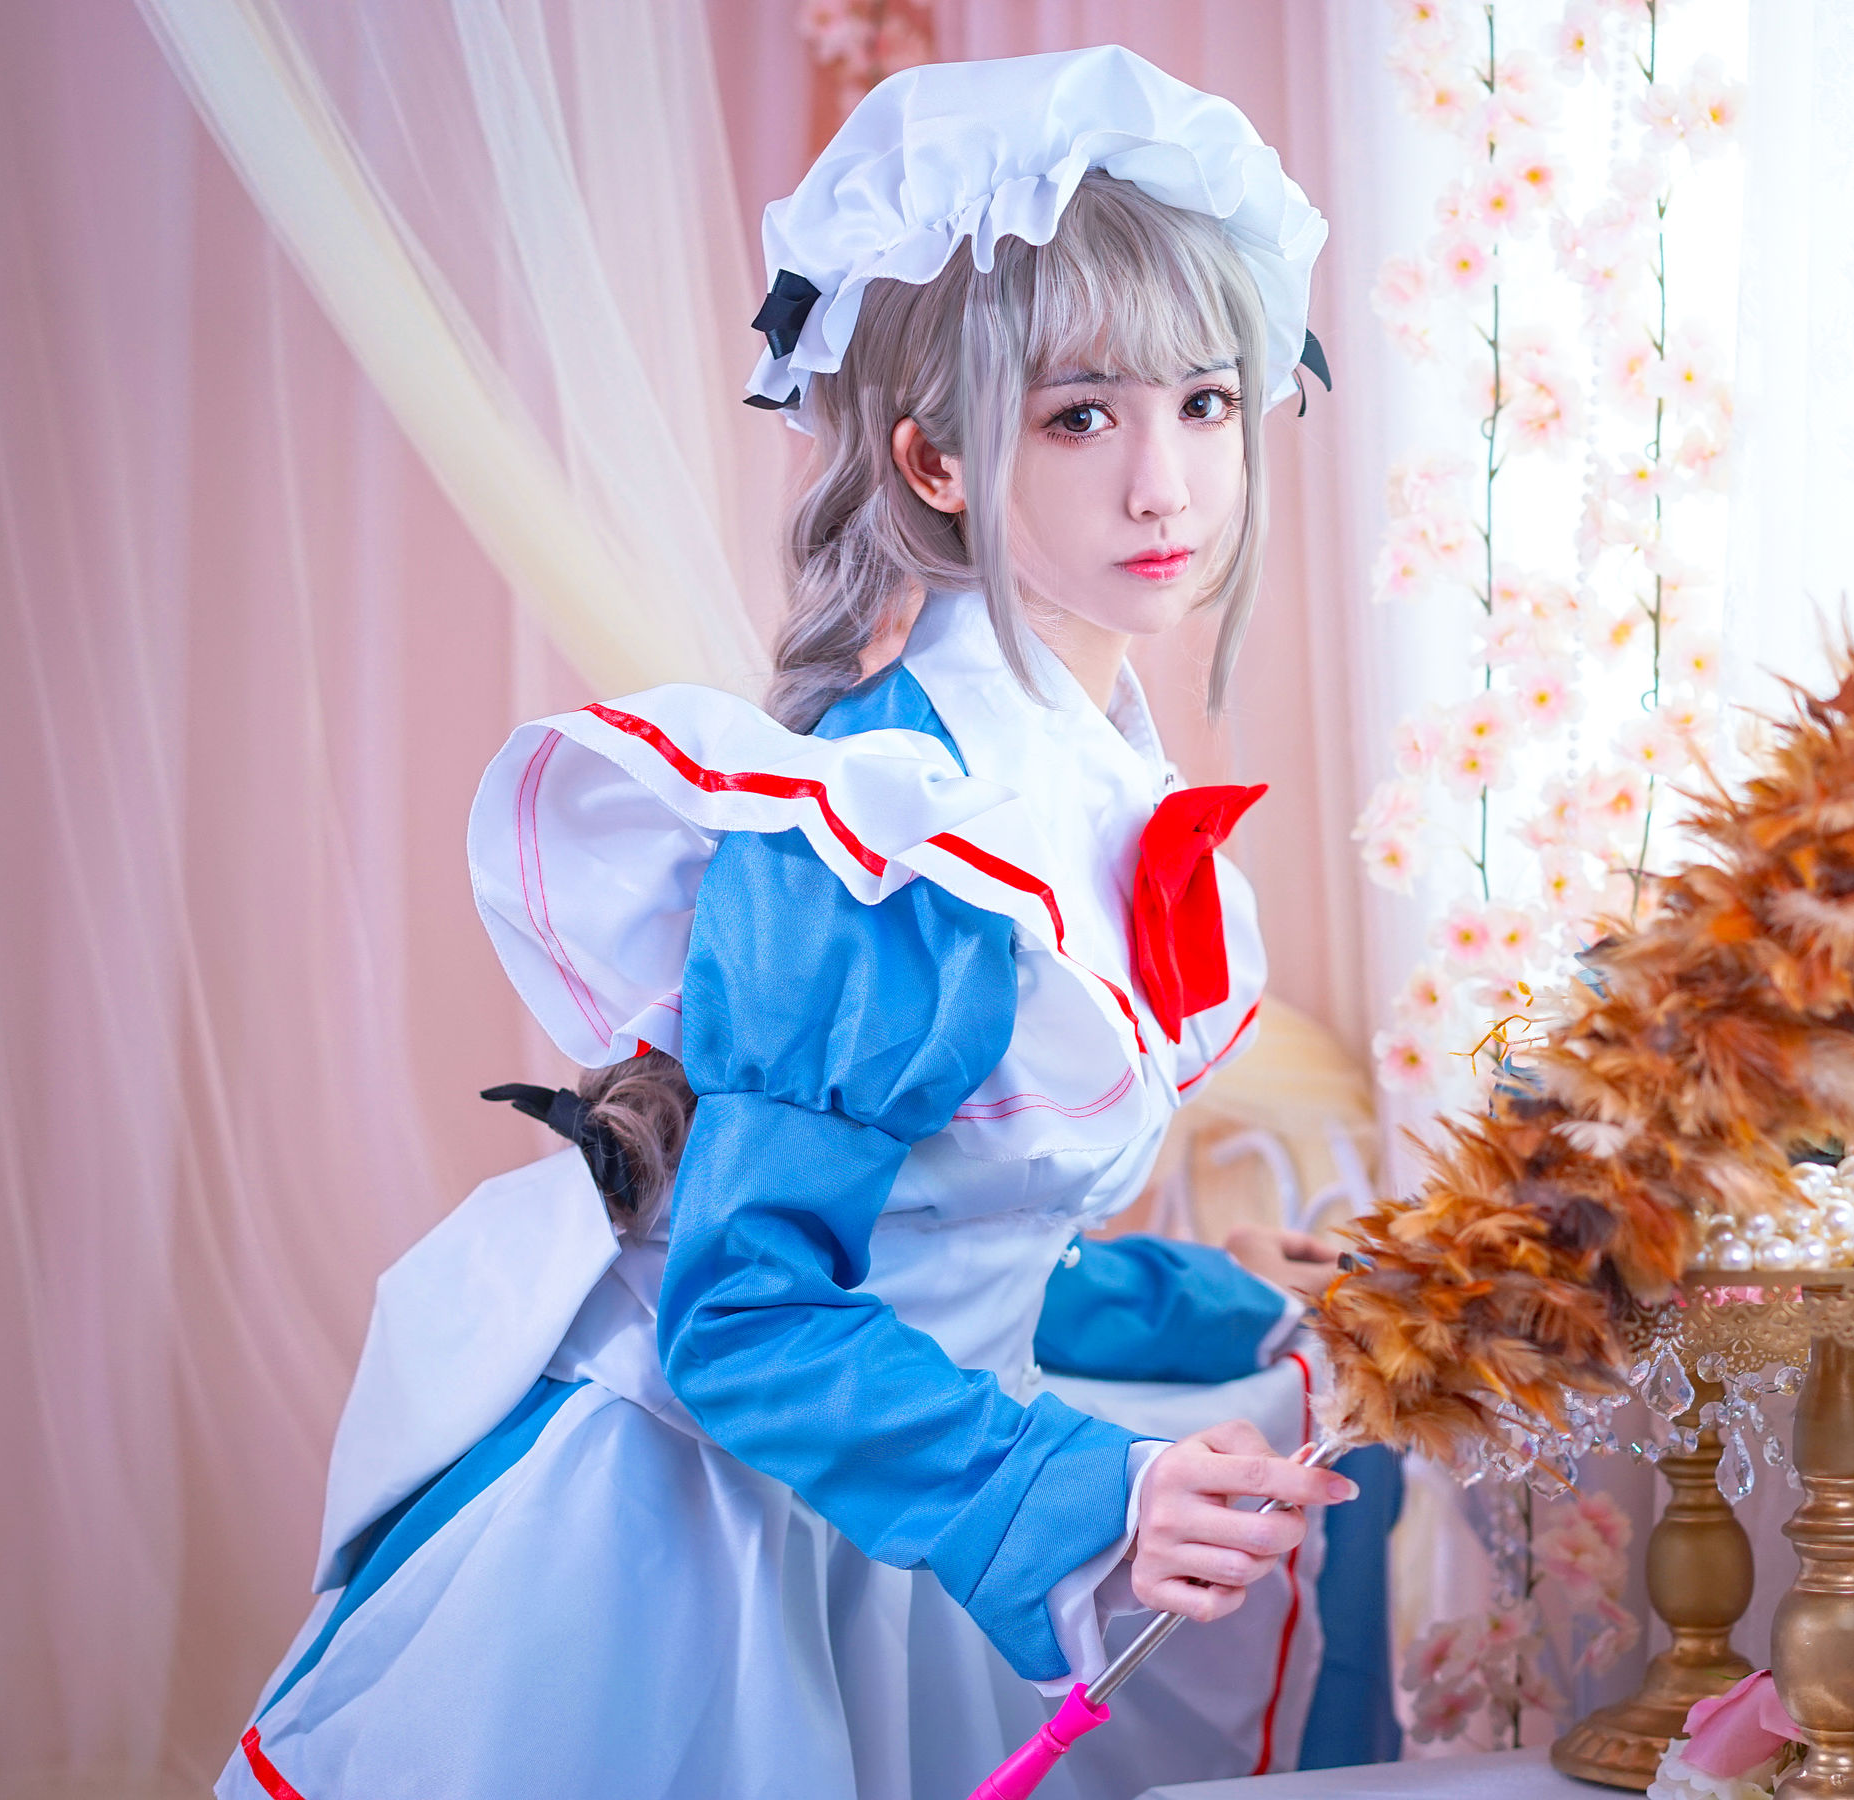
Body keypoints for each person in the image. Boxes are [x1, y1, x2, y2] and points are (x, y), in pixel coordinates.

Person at [222, 47, 1350, 1800]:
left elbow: (951, 1237)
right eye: (1081, 415)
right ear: (934, 458)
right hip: (706, 1557)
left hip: (878, 1504)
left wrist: (1226, 1311)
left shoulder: (1088, 787)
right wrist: (1093, 1497)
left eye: (1206, 403)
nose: (1167, 487)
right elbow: (746, 1312)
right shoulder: (890, 836)